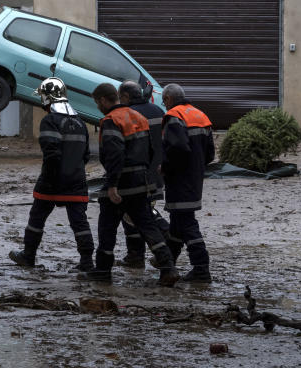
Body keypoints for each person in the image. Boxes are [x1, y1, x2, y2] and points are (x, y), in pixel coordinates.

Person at [78, 83, 178, 286]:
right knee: (147, 224)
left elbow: (114, 155)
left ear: (103, 100)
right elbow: (151, 150)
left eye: (98, 103)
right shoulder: (138, 117)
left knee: (107, 226)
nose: (98, 107)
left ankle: (103, 270)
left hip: (121, 182)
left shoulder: (110, 121)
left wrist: (112, 185)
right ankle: (168, 267)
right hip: (141, 180)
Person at [9, 77, 94, 271]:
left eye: (43, 97)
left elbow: (51, 153)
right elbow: (86, 155)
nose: (42, 101)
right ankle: (87, 262)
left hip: (52, 181)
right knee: (80, 223)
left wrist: (50, 178)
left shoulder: (50, 120)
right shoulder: (80, 122)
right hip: (77, 181)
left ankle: (28, 256)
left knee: (36, 218)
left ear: (49, 98)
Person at [161, 83, 215, 283]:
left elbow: (178, 148)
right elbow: (210, 153)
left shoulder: (174, 116)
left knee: (187, 223)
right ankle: (167, 263)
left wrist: (165, 167)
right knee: (177, 223)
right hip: (194, 178)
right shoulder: (200, 115)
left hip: (179, 180)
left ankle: (201, 268)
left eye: (164, 101)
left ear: (168, 99)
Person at [116, 80, 170, 269]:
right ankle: (135, 256)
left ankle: (160, 235)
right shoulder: (157, 111)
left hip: (137, 174)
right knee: (136, 212)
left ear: (125, 97)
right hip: (157, 173)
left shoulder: (127, 115)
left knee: (136, 213)